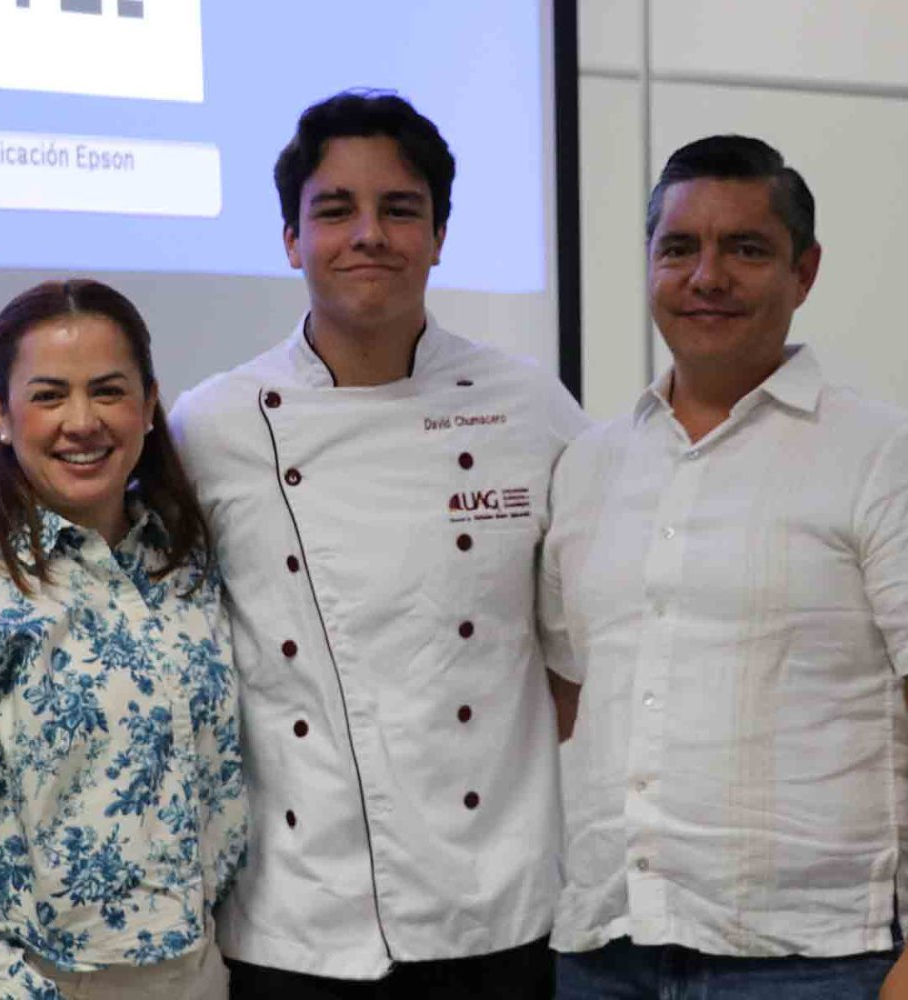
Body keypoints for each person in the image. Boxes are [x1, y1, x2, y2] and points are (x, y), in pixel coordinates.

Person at [540, 136, 908, 999]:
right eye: (679, 248)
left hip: (820, 960)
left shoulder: (888, 458)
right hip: (606, 951)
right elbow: (572, 691)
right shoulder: (588, 466)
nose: (706, 276)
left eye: (745, 249)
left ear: (805, 271)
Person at [167, 91, 589, 997]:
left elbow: (576, 644)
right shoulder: (212, 425)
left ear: (438, 235)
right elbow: (105, 577)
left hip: (501, 907)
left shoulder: (531, 408)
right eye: (335, 211)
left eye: (400, 209)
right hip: (296, 918)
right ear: (291, 239)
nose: (371, 235)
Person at [0, 279, 247, 999]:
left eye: (108, 390)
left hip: (200, 971)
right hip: (31, 985)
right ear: (2, 415)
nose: (82, 420)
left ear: (150, 405)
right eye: (48, 395)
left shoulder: (184, 561)